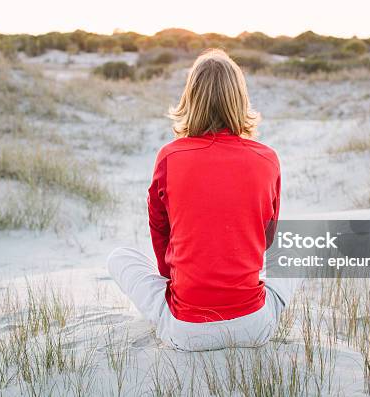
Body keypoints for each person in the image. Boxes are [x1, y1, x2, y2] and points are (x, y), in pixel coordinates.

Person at [107, 49, 302, 351]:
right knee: (300, 249)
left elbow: (160, 233)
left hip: (186, 330)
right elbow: (267, 241)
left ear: (190, 98)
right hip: (253, 325)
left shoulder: (170, 156)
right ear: (239, 98)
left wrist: (178, 281)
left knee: (119, 257)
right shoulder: (268, 158)